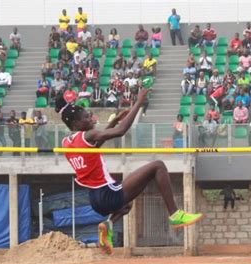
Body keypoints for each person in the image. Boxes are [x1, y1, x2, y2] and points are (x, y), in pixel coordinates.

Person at [58, 89, 202, 254]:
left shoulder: (66, 142)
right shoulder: (88, 135)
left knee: (127, 204)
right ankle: (175, 215)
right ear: (76, 125)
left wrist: (114, 122)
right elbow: (120, 132)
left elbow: (96, 143)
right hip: (108, 193)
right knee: (158, 166)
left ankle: (108, 225)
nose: (91, 118)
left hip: (95, 200)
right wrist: (138, 104)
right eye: (86, 117)